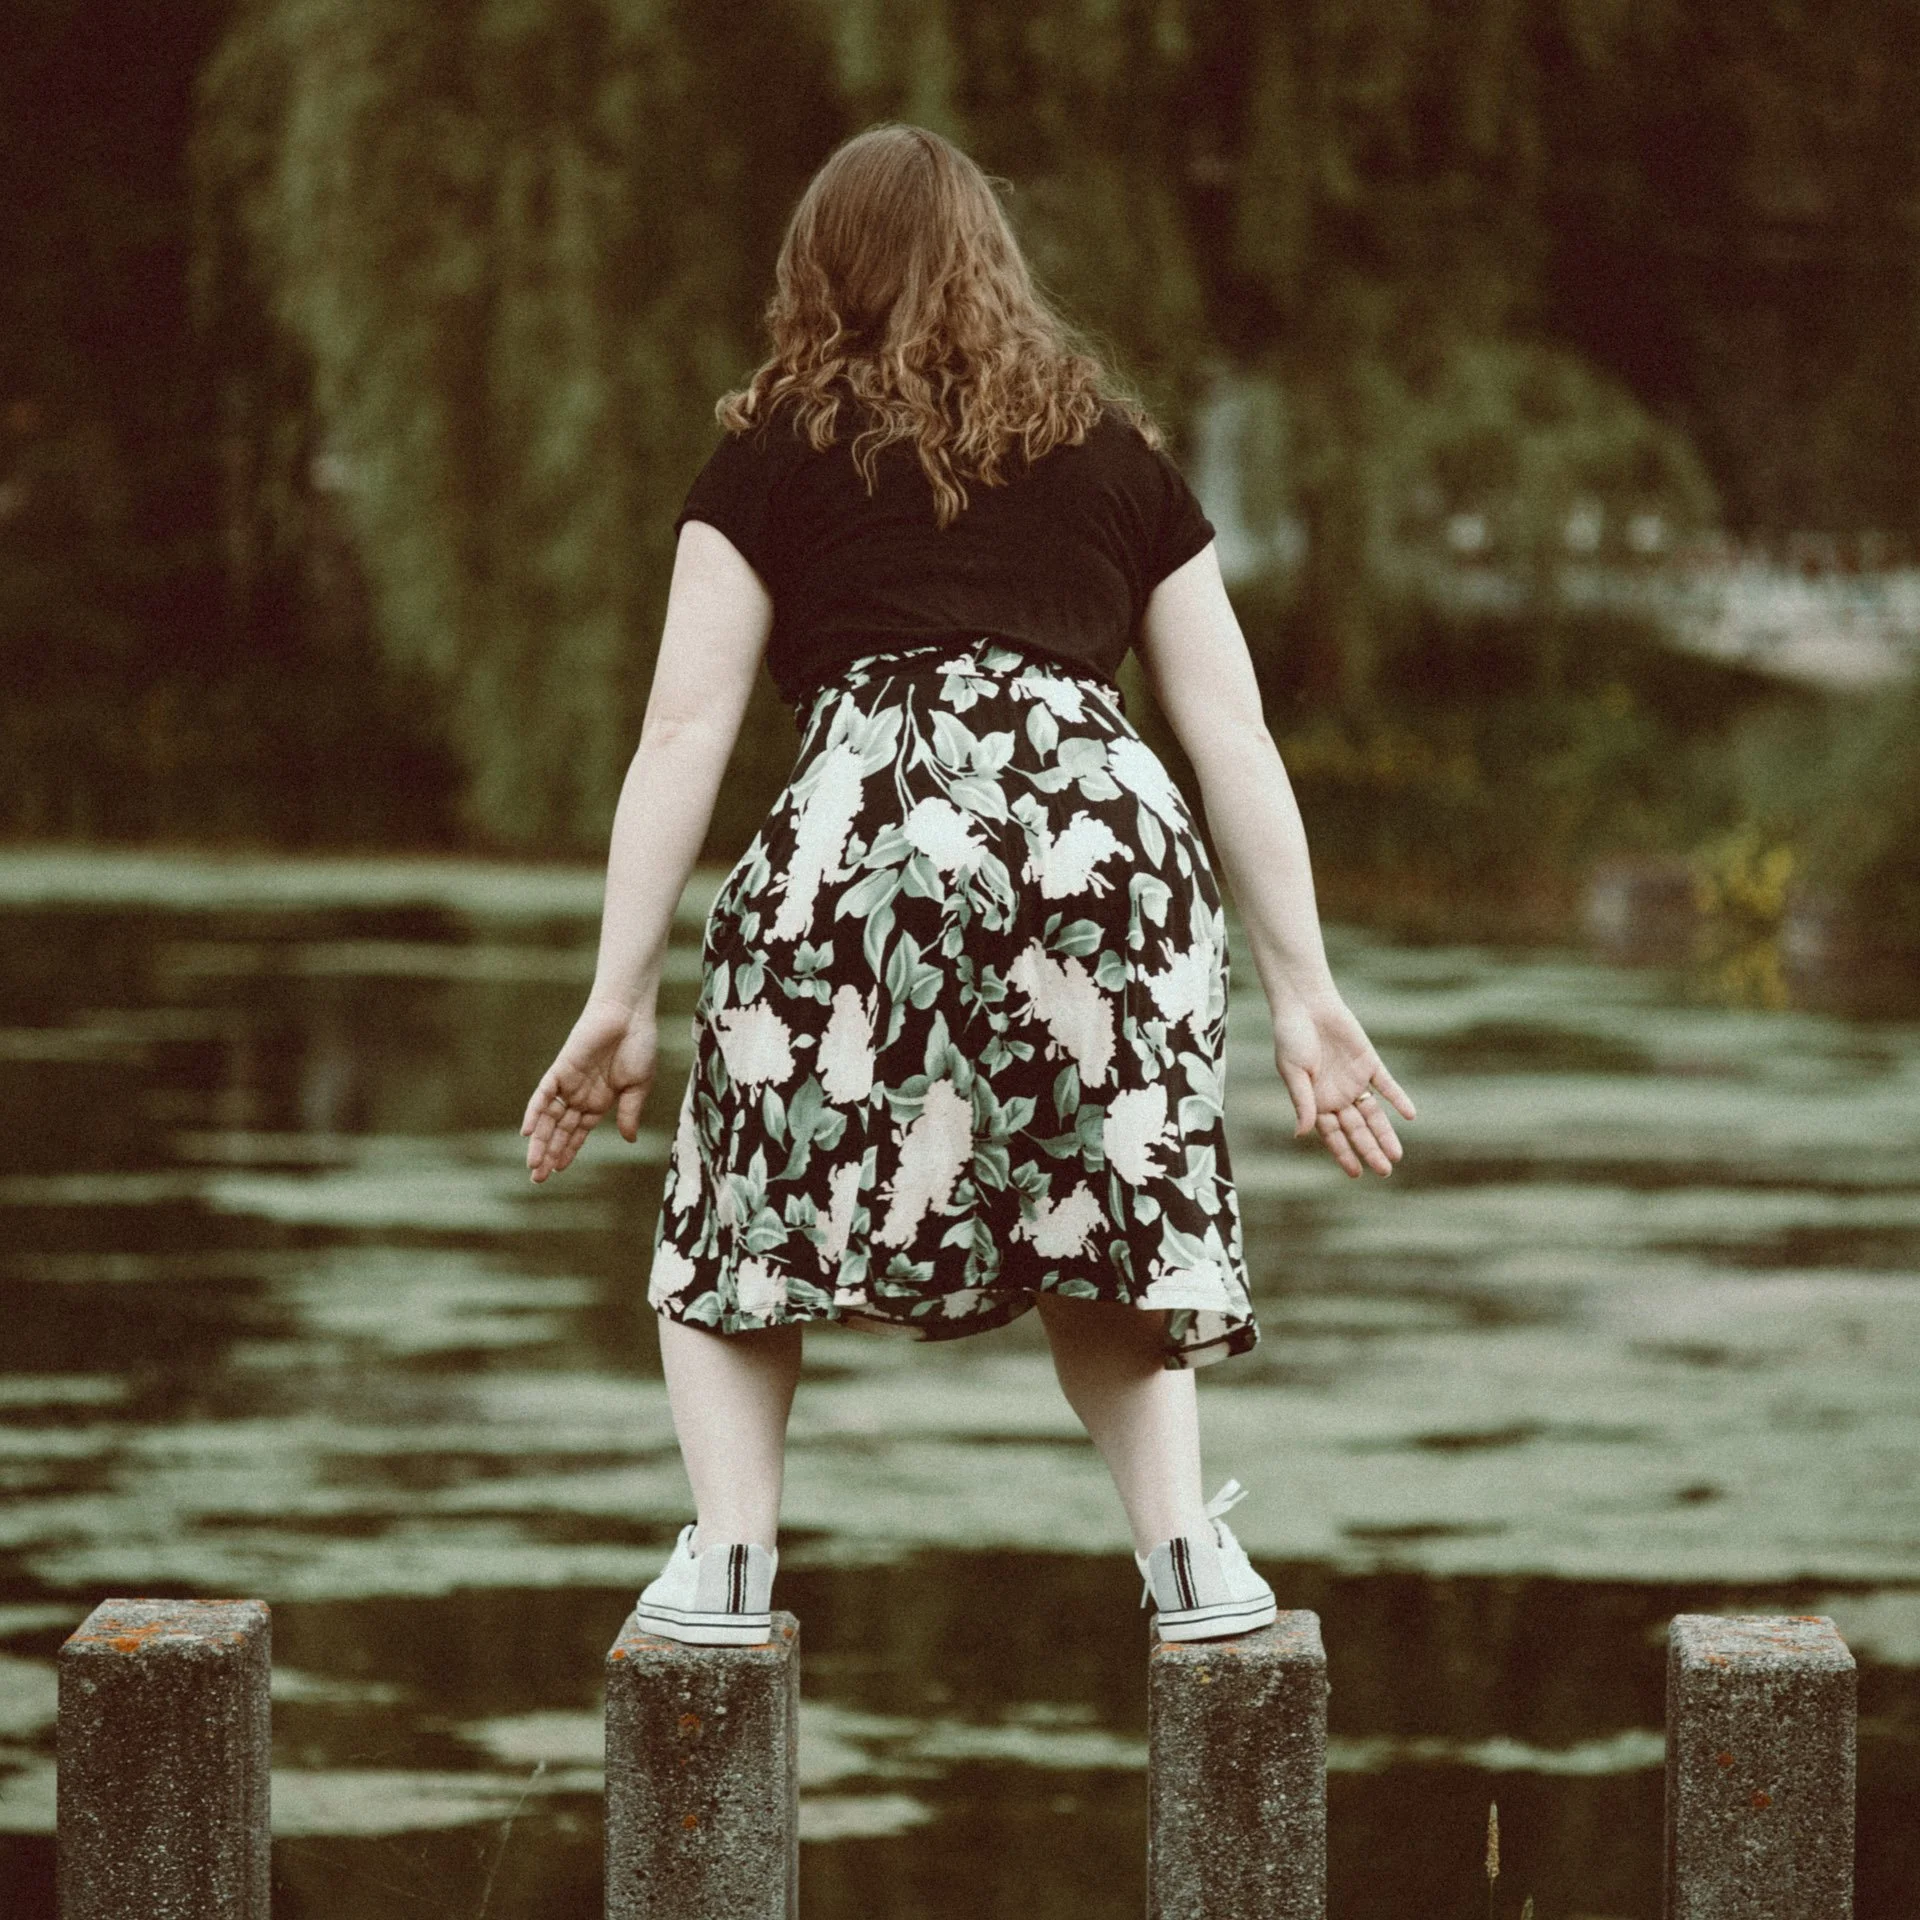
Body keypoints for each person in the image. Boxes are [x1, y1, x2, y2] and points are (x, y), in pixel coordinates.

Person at [522, 124, 1413, 1650]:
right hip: (1098, 850)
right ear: (996, 270)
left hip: (872, 845)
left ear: (819, 278)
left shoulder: (765, 459)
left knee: (737, 1215)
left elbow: (684, 730)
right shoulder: (1118, 457)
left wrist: (619, 996)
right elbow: (1234, 735)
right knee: (1104, 1213)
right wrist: (1304, 990)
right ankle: (1190, 1562)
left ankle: (732, 1561)